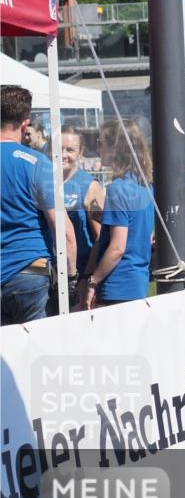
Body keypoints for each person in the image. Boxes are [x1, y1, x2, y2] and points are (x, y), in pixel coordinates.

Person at [1, 86, 77, 324]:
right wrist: (72, 277)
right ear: (25, 124)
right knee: (36, 354)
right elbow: (63, 231)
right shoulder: (37, 164)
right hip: (30, 272)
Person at [79, 119, 153, 309]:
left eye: (101, 142)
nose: (98, 148)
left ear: (115, 147)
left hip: (117, 284)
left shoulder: (117, 189)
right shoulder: (144, 186)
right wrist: (105, 217)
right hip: (137, 281)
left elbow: (117, 248)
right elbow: (134, 226)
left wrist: (93, 281)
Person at [61, 126, 104, 296]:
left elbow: (100, 237)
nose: (63, 154)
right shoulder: (43, 182)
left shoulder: (89, 186)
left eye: (70, 150)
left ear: (80, 153)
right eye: (59, 149)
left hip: (78, 275)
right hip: (49, 275)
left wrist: (87, 277)